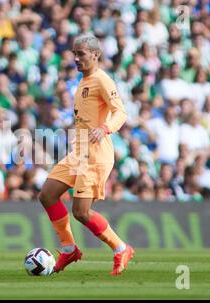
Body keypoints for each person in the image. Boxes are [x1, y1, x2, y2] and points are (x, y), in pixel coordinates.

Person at [38, 34, 134, 276]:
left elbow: (120, 113)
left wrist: (105, 128)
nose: (76, 58)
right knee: (47, 195)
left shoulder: (103, 81)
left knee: (80, 212)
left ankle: (121, 248)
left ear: (95, 54)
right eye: (74, 53)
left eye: (80, 54)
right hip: (78, 152)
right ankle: (69, 248)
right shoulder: (83, 81)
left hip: (95, 155)